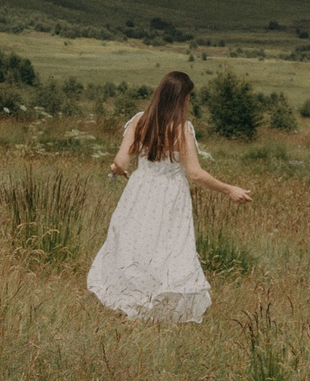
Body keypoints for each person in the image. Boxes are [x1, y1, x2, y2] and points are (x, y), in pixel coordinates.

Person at [88, 70, 250, 322]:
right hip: (170, 195)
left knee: (135, 242)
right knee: (168, 246)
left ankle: (132, 298)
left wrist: (118, 170)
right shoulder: (182, 129)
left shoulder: (139, 121)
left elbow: (120, 161)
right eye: (187, 98)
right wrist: (229, 189)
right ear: (180, 99)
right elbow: (195, 174)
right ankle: (157, 300)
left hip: (140, 190)